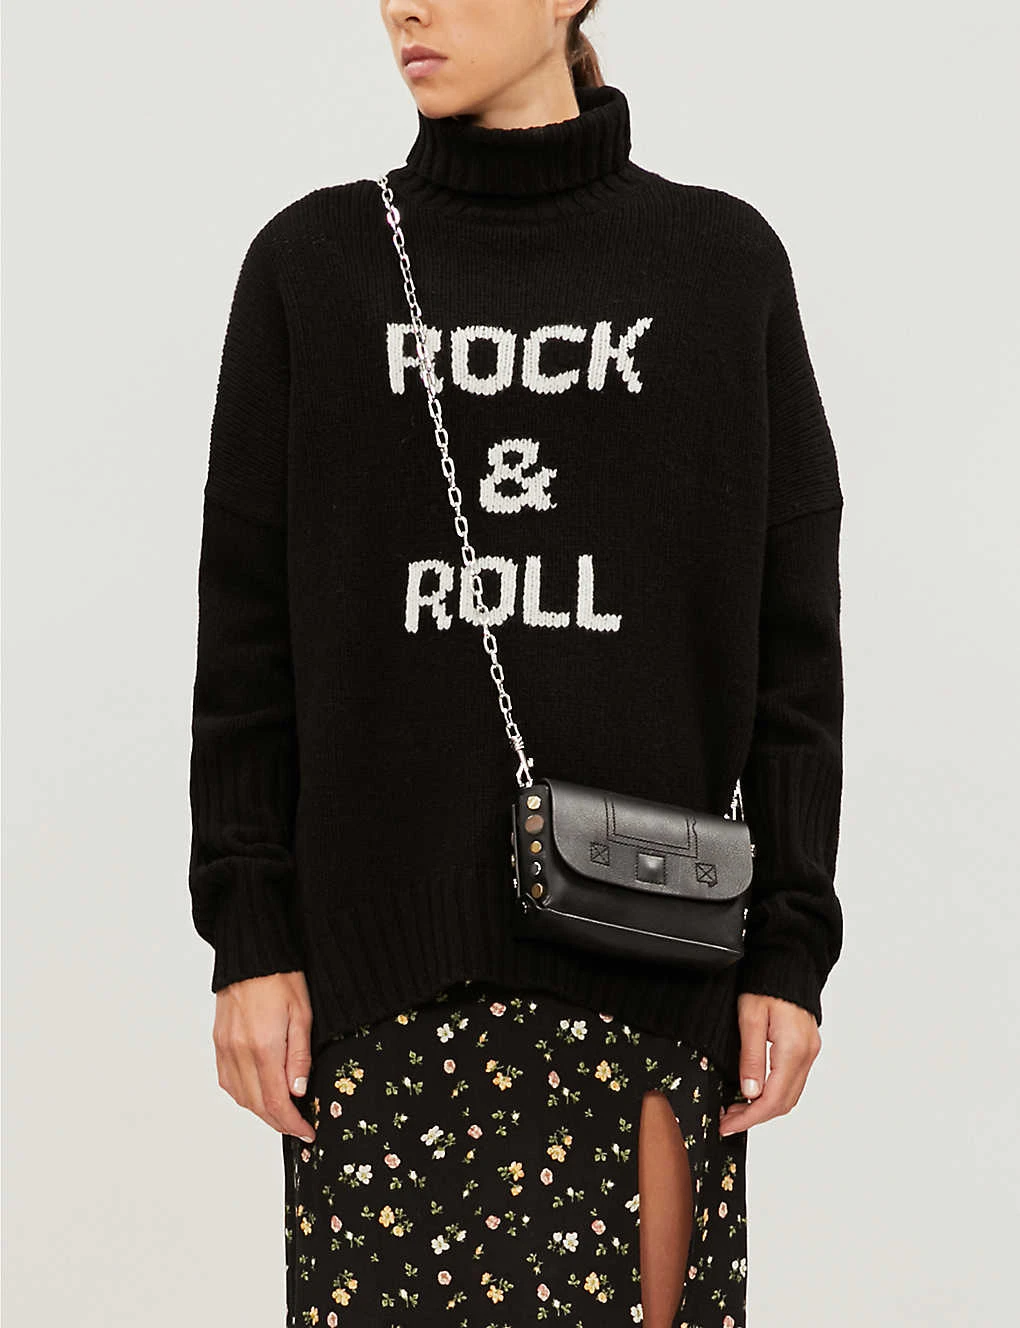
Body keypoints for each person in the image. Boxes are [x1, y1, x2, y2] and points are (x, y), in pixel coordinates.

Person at [187, 2, 845, 1324]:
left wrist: (790, 948)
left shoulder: (719, 268)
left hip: (652, 982)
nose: (405, 8)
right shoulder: (315, 268)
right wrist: (248, 936)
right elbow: (246, 645)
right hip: (375, 1002)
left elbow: (794, 651)